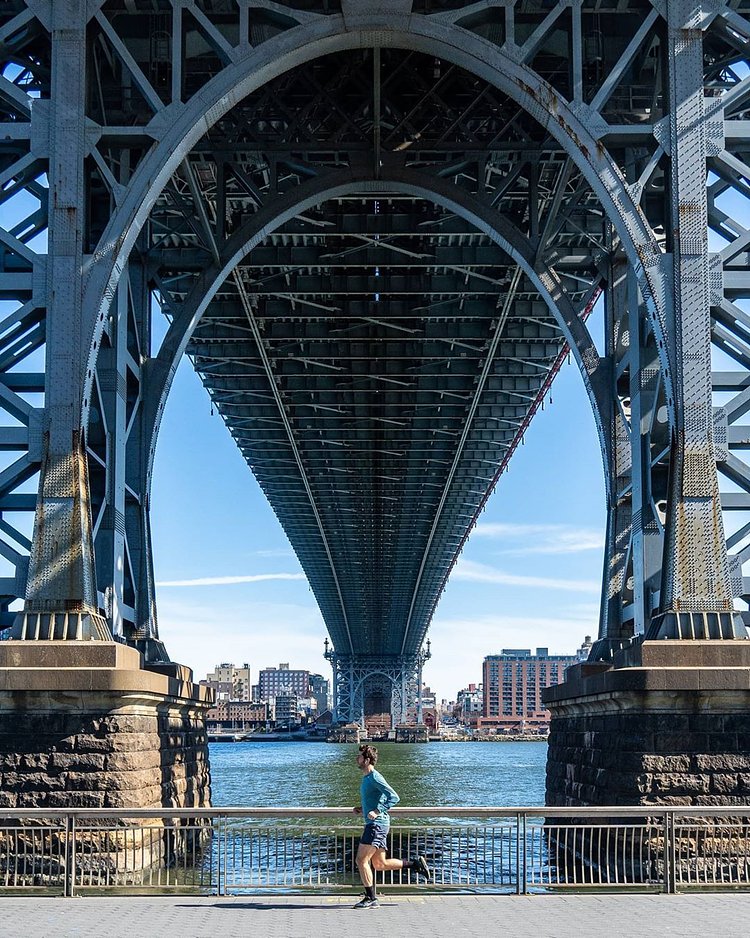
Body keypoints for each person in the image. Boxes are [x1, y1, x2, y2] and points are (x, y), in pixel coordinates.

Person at [352, 743, 431, 909]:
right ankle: (415, 864)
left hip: (376, 825)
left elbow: (394, 797)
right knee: (380, 864)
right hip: (376, 824)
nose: (356, 758)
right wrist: (363, 808)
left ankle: (371, 898)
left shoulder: (374, 776)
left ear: (366, 760)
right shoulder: (367, 778)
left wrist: (377, 810)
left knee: (361, 860)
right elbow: (376, 798)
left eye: (359, 756)